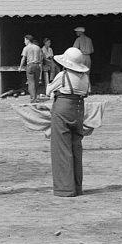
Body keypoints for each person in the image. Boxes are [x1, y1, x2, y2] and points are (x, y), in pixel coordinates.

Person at [45, 47, 91, 197]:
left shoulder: (63, 75)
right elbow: (86, 93)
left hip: (62, 109)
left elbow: (48, 91)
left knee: (61, 149)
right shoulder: (85, 78)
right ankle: (77, 186)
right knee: (76, 148)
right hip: (78, 110)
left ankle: (65, 188)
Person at [19, 35, 44, 101]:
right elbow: (41, 58)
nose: (24, 42)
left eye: (24, 40)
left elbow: (23, 58)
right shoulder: (38, 48)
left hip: (30, 65)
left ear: (28, 40)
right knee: (36, 82)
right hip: (37, 65)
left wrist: (20, 67)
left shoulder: (26, 48)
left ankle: (33, 98)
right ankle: (35, 96)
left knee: (31, 82)